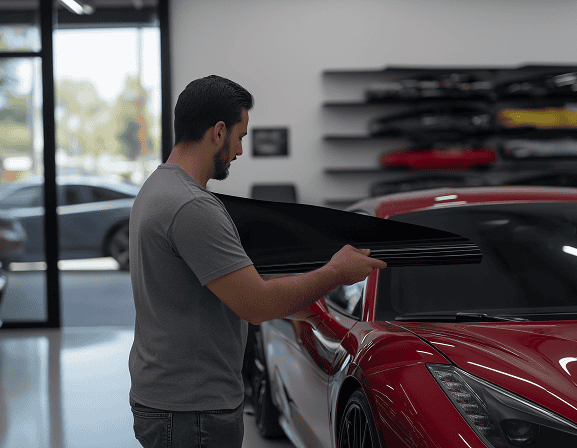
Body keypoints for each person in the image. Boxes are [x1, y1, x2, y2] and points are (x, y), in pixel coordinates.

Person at [128, 75, 387, 448]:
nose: (240, 150)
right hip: (193, 408)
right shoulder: (192, 207)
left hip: (169, 396)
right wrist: (335, 272)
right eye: (240, 135)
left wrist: (302, 304)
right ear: (218, 131)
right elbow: (256, 304)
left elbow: (222, 286)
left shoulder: (157, 189)